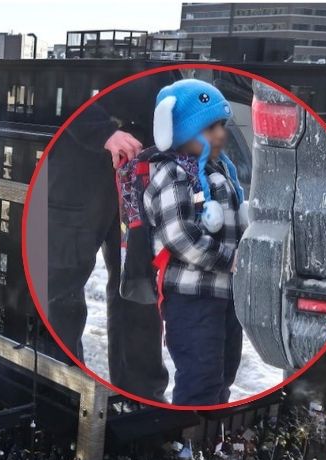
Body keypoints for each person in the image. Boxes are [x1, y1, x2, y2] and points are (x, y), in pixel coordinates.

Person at [45, 78, 169, 402]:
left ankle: (141, 399)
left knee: (139, 285)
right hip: (78, 167)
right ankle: (63, 396)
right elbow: (56, 86)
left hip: (143, 166)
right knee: (61, 287)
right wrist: (102, 131)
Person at [142, 78, 247, 406]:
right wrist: (230, 259)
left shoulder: (221, 169)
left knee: (224, 374)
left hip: (226, 295)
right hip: (191, 297)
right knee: (200, 379)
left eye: (222, 125)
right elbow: (179, 236)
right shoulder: (172, 174)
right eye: (209, 127)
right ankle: (188, 433)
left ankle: (212, 430)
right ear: (180, 131)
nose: (220, 135)